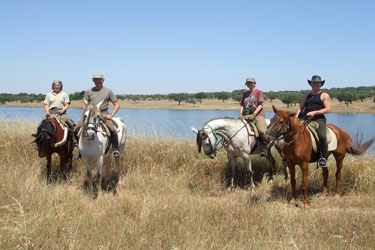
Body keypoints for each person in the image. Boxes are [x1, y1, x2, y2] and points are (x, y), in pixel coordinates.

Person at [75, 73, 121, 158]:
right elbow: (84, 104)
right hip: (90, 114)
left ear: (103, 80)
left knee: (112, 129)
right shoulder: (89, 91)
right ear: (93, 81)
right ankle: (80, 151)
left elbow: (117, 105)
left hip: (103, 113)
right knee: (76, 129)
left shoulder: (108, 91)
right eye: (95, 79)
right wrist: (86, 112)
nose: (97, 81)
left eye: (99, 79)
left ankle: (116, 150)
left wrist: (111, 115)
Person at [295, 75, 331, 168]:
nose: (315, 84)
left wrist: (315, 112)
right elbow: (301, 108)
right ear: (311, 84)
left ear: (320, 84)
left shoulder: (324, 95)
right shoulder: (307, 95)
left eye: (317, 83)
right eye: (313, 83)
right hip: (305, 118)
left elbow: (328, 109)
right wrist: (295, 117)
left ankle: (323, 158)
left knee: (322, 136)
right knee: (292, 132)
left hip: (318, 119)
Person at [239, 77, 268, 157]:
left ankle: (264, 148)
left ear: (254, 83)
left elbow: (260, 105)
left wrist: (254, 114)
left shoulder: (259, 92)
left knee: (261, 130)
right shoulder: (245, 94)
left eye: (251, 83)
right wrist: (240, 113)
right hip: (246, 114)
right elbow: (242, 105)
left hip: (258, 114)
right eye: (248, 83)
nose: (249, 84)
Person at [43, 80, 77, 146]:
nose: (56, 87)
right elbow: (46, 104)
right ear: (53, 86)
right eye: (55, 85)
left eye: (58, 85)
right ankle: (40, 143)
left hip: (61, 113)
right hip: (51, 113)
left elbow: (67, 104)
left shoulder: (64, 94)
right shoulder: (48, 95)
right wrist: (47, 112)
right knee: (41, 125)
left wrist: (63, 110)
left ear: (61, 86)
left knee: (71, 125)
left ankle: (74, 140)